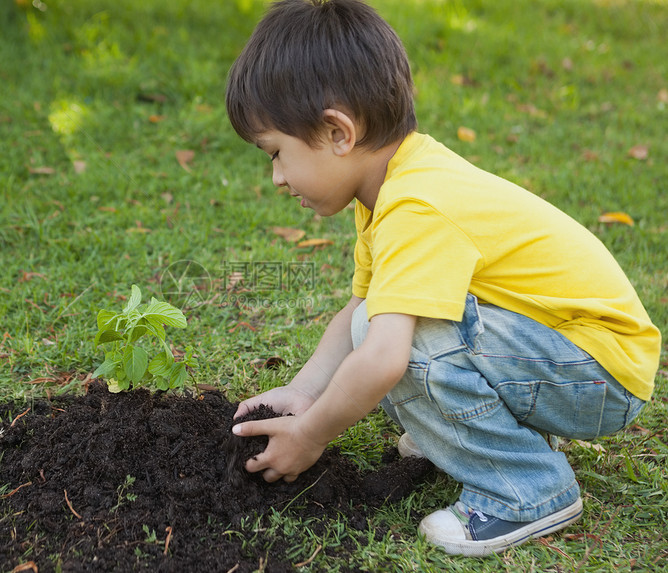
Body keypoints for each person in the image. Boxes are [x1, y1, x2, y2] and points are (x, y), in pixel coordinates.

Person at [225, 0, 662, 557]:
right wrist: (304, 393)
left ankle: (528, 490)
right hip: (566, 353)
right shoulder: (391, 186)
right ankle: (482, 436)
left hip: (599, 370)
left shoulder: (416, 205)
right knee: (375, 321)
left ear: (338, 132)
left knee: (402, 348)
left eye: (277, 153)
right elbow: (359, 308)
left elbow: (383, 357)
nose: (277, 178)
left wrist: (310, 438)